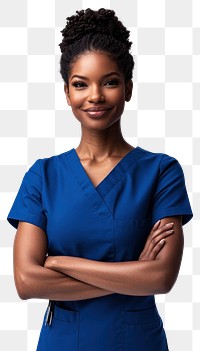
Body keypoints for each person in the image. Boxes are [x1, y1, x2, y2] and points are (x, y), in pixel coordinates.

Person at [7, 8, 193, 351]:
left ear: (128, 88)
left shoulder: (162, 171)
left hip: (137, 341)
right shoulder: (42, 176)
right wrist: (133, 274)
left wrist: (60, 263)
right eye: (81, 84)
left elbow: (162, 278)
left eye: (109, 82)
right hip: (63, 342)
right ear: (67, 93)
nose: (95, 96)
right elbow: (26, 281)